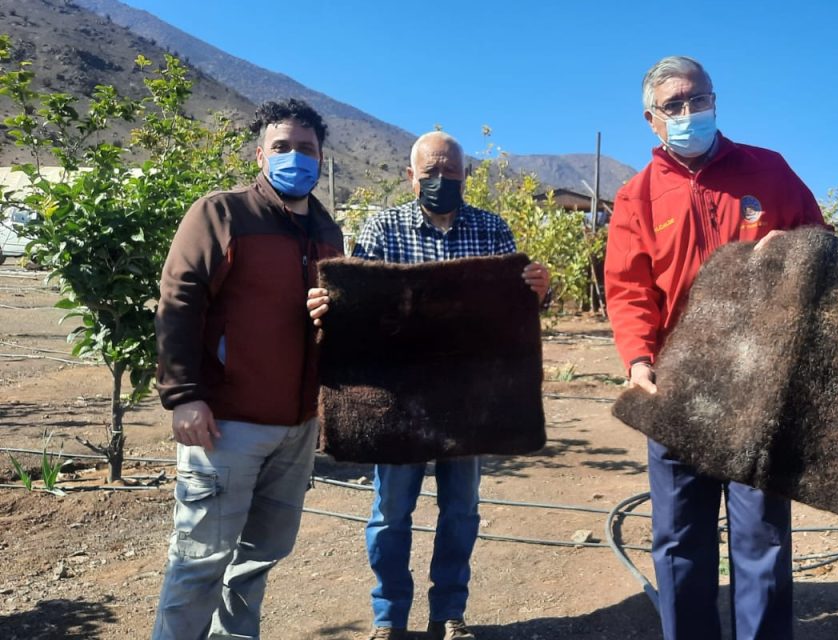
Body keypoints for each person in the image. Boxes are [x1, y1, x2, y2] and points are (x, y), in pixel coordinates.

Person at [603, 55, 827, 640]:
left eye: (697, 99)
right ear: (652, 119)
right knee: (679, 541)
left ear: (714, 100)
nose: (688, 112)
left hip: (759, 381)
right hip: (677, 384)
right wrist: (638, 358)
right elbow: (628, 290)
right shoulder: (637, 197)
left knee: (763, 538)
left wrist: (796, 251)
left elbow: (822, 246)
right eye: (673, 106)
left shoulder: (769, 171)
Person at [307, 131, 550, 640]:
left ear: (465, 174)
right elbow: (360, 308)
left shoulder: (491, 230)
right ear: (411, 175)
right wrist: (332, 309)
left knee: (461, 511)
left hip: (468, 399)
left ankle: (449, 614)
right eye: (432, 171)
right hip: (398, 400)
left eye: (452, 170)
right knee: (391, 512)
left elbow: (514, 310)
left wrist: (538, 292)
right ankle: (388, 617)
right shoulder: (382, 227)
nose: (442, 179)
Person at [151, 99, 344, 639]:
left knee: (258, 561)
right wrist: (184, 395)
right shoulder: (223, 213)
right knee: (199, 562)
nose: (294, 158)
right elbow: (179, 301)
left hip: (297, 427)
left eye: (306, 149)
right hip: (225, 423)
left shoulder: (329, 231)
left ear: (321, 157)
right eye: (282, 147)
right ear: (261, 153)